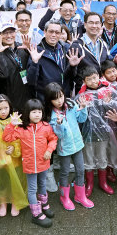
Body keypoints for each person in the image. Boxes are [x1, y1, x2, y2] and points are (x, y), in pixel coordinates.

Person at [2, 99, 58, 228]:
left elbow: (53, 139)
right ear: (28, 113)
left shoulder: (46, 126)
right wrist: (11, 125)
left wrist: (49, 150)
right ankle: (36, 214)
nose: (37, 114)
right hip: (30, 165)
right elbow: (6, 138)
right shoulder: (21, 129)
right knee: (32, 189)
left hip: (43, 163)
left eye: (39, 111)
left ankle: (44, 205)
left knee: (43, 184)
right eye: (34, 112)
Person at [75, 66, 117, 196]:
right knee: (88, 158)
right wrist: (82, 107)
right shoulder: (81, 96)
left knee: (102, 157)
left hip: (103, 132)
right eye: (89, 79)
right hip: (87, 133)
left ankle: (103, 183)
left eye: (94, 77)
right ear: (84, 81)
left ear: (99, 76)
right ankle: (89, 184)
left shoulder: (107, 90)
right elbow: (76, 115)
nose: (93, 81)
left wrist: (108, 103)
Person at [45, 82, 93, 210]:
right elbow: (59, 136)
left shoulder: (71, 104)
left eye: (61, 96)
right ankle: (64, 197)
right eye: (55, 98)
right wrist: (59, 124)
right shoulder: (51, 116)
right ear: (50, 100)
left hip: (77, 144)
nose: (60, 100)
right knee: (64, 172)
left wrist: (83, 108)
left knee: (80, 170)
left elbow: (81, 119)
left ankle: (80, 196)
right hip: (64, 148)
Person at [25, 20, 81, 100]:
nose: (54, 35)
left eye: (57, 32)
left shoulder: (66, 48)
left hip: (63, 98)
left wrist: (72, 66)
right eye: (51, 31)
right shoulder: (36, 51)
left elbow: (71, 77)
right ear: (45, 32)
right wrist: (34, 62)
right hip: (46, 99)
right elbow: (31, 81)